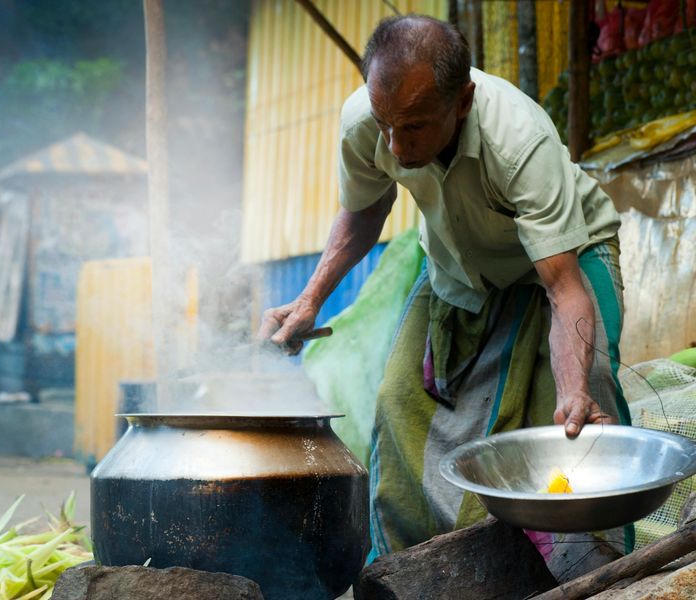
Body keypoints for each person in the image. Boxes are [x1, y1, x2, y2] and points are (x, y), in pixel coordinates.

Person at [258, 14, 632, 562]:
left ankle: (590, 571)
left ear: (463, 101)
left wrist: (575, 389)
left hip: (567, 259)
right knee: (398, 401)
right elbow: (365, 210)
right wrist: (309, 298)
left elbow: (563, 289)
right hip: (460, 269)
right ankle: (415, 571)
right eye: (385, 124)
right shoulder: (367, 119)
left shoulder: (520, 141)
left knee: (580, 407)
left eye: (413, 127)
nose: (395, 144)